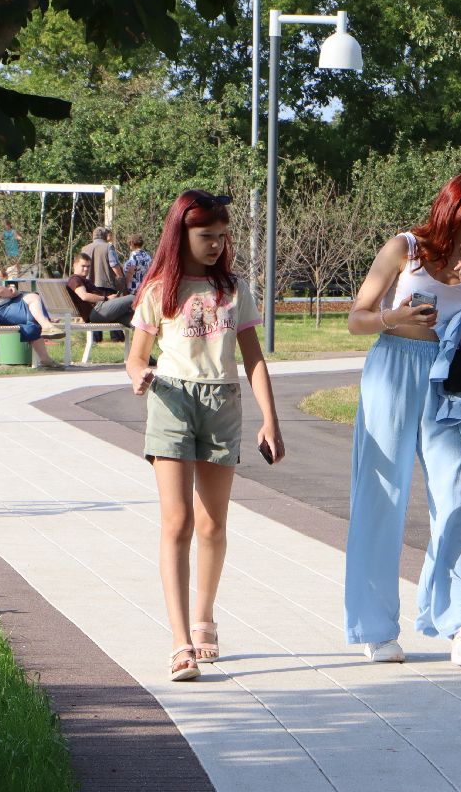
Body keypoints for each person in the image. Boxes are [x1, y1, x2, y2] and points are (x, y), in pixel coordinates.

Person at [343, 173, 461, 670]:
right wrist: (398, 318)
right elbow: (357, 317)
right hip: (392, 368)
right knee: (380, 496)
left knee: (454, 494)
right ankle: (375, 627)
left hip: (445, 383)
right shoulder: (404, 249)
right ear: (456, 217)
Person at [126, 190, 283, 683]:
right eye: (205, 236)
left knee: (212, 524)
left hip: (222, 403)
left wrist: (270, 418)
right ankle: (179, 643)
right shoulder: (159, 289)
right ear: (182, 234)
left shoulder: (234, 289)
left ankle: (205, 617)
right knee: (177, 523)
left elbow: (254, 357)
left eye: (221, 236)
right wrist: (137, 374)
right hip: (171, 400)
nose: (216, 244)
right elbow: (135, 354)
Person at [0, 246, 65, 367]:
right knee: (33, 300)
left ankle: (45, 355)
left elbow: (1, 291)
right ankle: (46, 325)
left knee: (32, 306)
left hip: (2, 307)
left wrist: (11, 292)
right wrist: (13, 292)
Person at [67, 251, 136, 341]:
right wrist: (106, 298)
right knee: (133, 298)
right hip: (96, 311)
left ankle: (143, 354)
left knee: (136, 321)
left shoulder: (83, 280)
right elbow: (84, 296)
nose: (86, 269)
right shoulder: (75, 279)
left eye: (88, 266)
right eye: (83, 266)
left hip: (100, 310)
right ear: (75, 265)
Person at [81, 226, 124, 292]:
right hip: (105, 287)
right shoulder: (108, 247)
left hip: (88, 286)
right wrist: (121, 279)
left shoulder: (84, 249)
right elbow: (114, 265)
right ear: (105, 236)